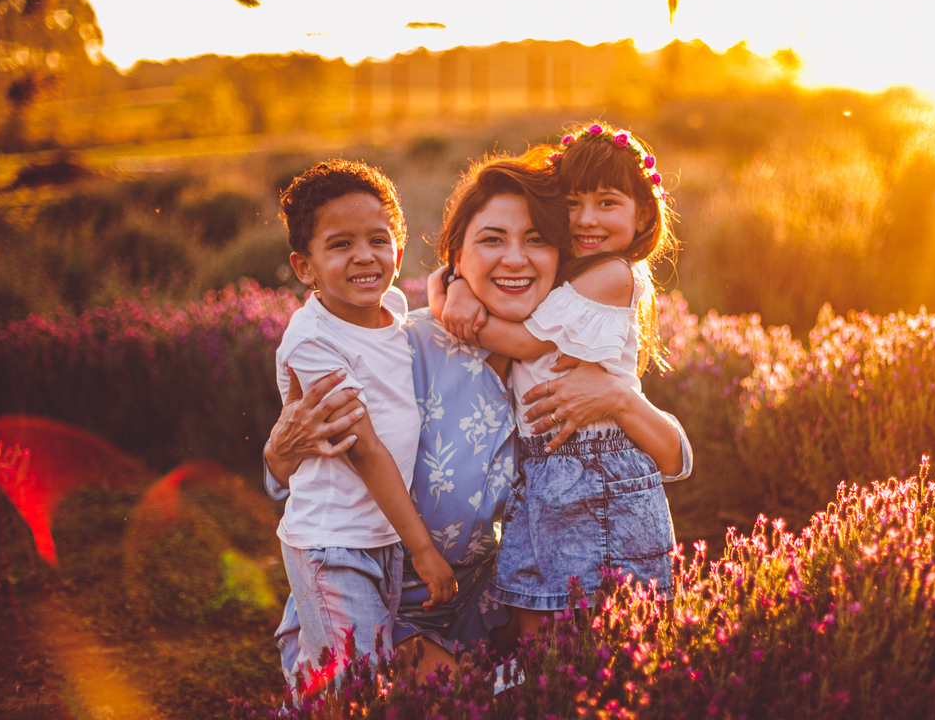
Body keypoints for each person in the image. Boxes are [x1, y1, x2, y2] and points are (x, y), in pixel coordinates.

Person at [263, 151, 692, 684]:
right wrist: (277, 455)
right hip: (386, 613)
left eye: (536, 240)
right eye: (491, 240)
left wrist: (621, 399)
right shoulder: (404, 345)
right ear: (456, 255)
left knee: (594, 678)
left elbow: (673, 458)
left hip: (491, 604)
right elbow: (300, 476)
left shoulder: (561, 356)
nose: (515, 259)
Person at [432, 123, 679, 638]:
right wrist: (458, 280)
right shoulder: (568, 276)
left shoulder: (613, 274)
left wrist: (446, 299)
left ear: (643, 217)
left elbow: (524, 342)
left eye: (607, 203)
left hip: (598, 474)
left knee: (612, 639)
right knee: (538, 641)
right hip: (543, 476)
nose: (587, 219)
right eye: (572, 203)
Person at [271, 159, 456, 681]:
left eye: (378, 240)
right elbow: (365, 448)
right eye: (340, 244)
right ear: (304, 267)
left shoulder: (390, 308)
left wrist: (449, 289)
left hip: (379, 538)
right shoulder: (314, 341)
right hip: (333, 539)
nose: (364, 257)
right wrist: (423, 549)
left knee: (348, 669)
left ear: (398, 251)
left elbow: (421, 302)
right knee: (357, 683)